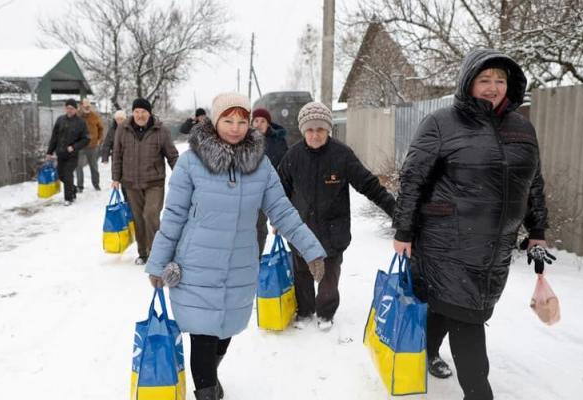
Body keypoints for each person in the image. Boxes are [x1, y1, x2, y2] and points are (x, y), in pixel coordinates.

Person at [145, 92, 326, 400]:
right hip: (196, 266)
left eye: (242, 121)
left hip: (240, 266)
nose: (236, 127)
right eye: (228, 120)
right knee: (202, 337)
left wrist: (311, 249)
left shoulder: (261, 165)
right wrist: (157, 262)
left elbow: (282, 210)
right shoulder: (191, 162)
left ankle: (210, 377)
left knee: (223, 337)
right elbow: (173, 215)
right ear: (216, 121)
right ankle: (206, 390)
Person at [392, 48, 549, 400]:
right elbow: (413, 178)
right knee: (467, 316)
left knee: (451, 306)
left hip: (496, 247)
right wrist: (403, 230)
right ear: (468, 82)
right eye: (484, 80)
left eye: (500, 80)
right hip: (446, 242)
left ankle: (427, 350)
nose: (493, 87)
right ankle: (479, 393)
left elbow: (533, 182)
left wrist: (537, 231)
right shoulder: (441, 123)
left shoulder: (522, 128)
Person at [277, 101, 396, 331]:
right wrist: (279, 219)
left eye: (320, 129)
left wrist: (395, 211)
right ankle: (305, 310)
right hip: (301, 228)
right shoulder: (293, 156)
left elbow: (369, 185)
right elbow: (279, 191)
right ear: (303, 130)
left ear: (328, 129)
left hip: (334, 229)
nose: (315, 135)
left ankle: (325, 312)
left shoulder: (342, 155)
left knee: (329, 274)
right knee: (301, 272)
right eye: (310, 130)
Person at [111, 98, 178, 265]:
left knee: (150, 214)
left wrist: (180, 176)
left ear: (149, 113)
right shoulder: (122, 129)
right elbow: (117, 155)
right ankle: (143, 253)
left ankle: (157, 252)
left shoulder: (161, 131)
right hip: (131, 182)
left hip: (154, 182)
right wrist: (115, 178)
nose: (140, 115)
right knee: (138, 218)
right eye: (136, 112)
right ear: (132, 113)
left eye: (143, 112)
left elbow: (172, 156)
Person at [251, 107, 289, 256]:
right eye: (256, 120)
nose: (259, 124)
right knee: (251, 227)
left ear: (268, 124)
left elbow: (285, 170)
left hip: (270, 191)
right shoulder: (244, 140)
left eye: (263, 121)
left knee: (261, 229)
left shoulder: (278, 141)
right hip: (249, 192)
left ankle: (257, 259)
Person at [46, 99, 90, 206]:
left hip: (72, 155)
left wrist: (74, 147)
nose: (69, 110)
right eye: (68, 108)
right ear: (65, 108)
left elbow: (86, 139)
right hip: (60, 153)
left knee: (67, 173)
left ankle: (68, 198)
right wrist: (49, 151)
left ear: (76, 109)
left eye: (72, 108)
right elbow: (54, 137)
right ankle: (73, 189)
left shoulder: (81, 122)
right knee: (61, 175)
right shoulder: (60, 120)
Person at [75, 98, 104, 191]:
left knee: (94, 166)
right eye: (85, 106)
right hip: (80, 146)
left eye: (88, 106)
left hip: (92, 145)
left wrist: (99, 139)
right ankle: (80, 186)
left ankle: (96, 184)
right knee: (78, 166)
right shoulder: (77, 117)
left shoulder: (94, 116)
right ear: (81, 106)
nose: (87, 107)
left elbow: (101, 128)